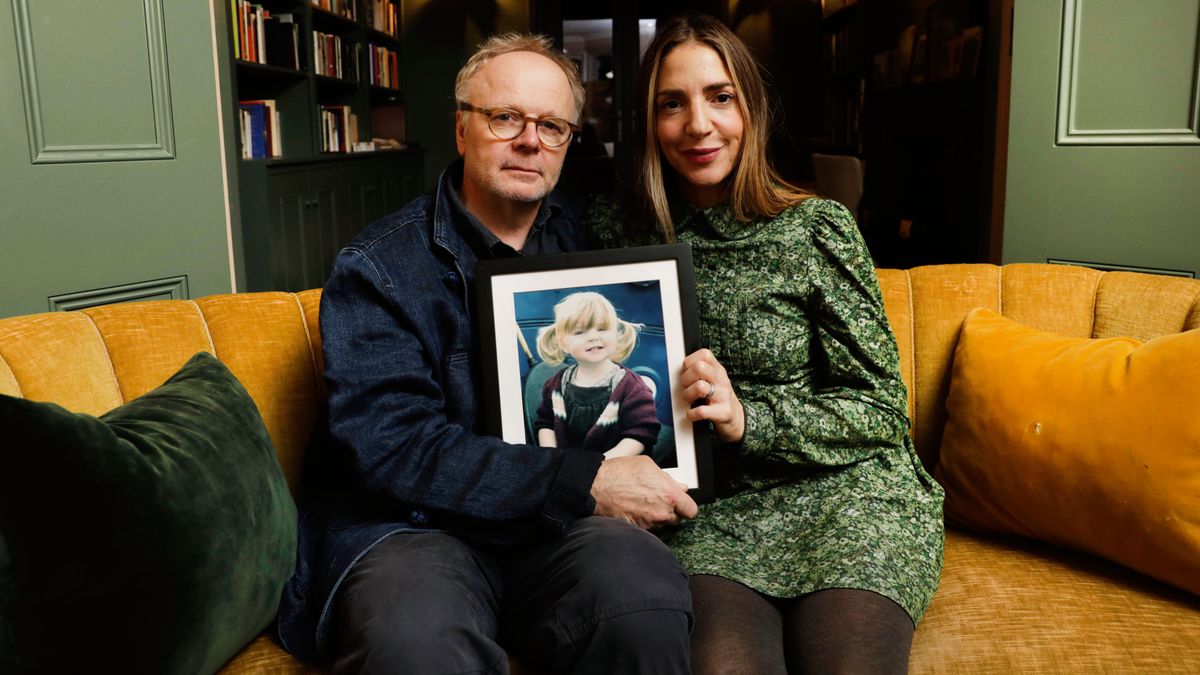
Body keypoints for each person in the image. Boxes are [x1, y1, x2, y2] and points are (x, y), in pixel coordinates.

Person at [275, 33, 697, 674]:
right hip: (412, 528)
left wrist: (698, 381)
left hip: (553, 531)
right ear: (462, 128)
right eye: (506, 117)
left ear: (567, 142)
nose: (531, 140)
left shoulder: (599, 240)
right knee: (414, 643)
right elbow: (395, 447)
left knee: (642, 594)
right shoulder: (379, 268)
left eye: (553, 125)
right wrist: (582, 477)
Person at [591, 14, 945, 674]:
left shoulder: (817, 229)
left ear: (750, 109)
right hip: (716, 515)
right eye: (673, 103)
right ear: (649, 120)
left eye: (719, 96)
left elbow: (882, 407)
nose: (698, 124)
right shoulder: (615, 236)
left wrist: (749, 418)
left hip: (849, 500)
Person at [532, 291, 660, 458]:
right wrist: (551, 456)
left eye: (602, 329)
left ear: (617, 334)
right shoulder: (556, 385)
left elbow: (641, 434)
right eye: (580, 332)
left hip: (616, 470)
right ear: (563, 343)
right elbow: (545, 423)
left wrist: (598, 465)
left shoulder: (631, 387)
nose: (593, 337)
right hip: (567, 470)